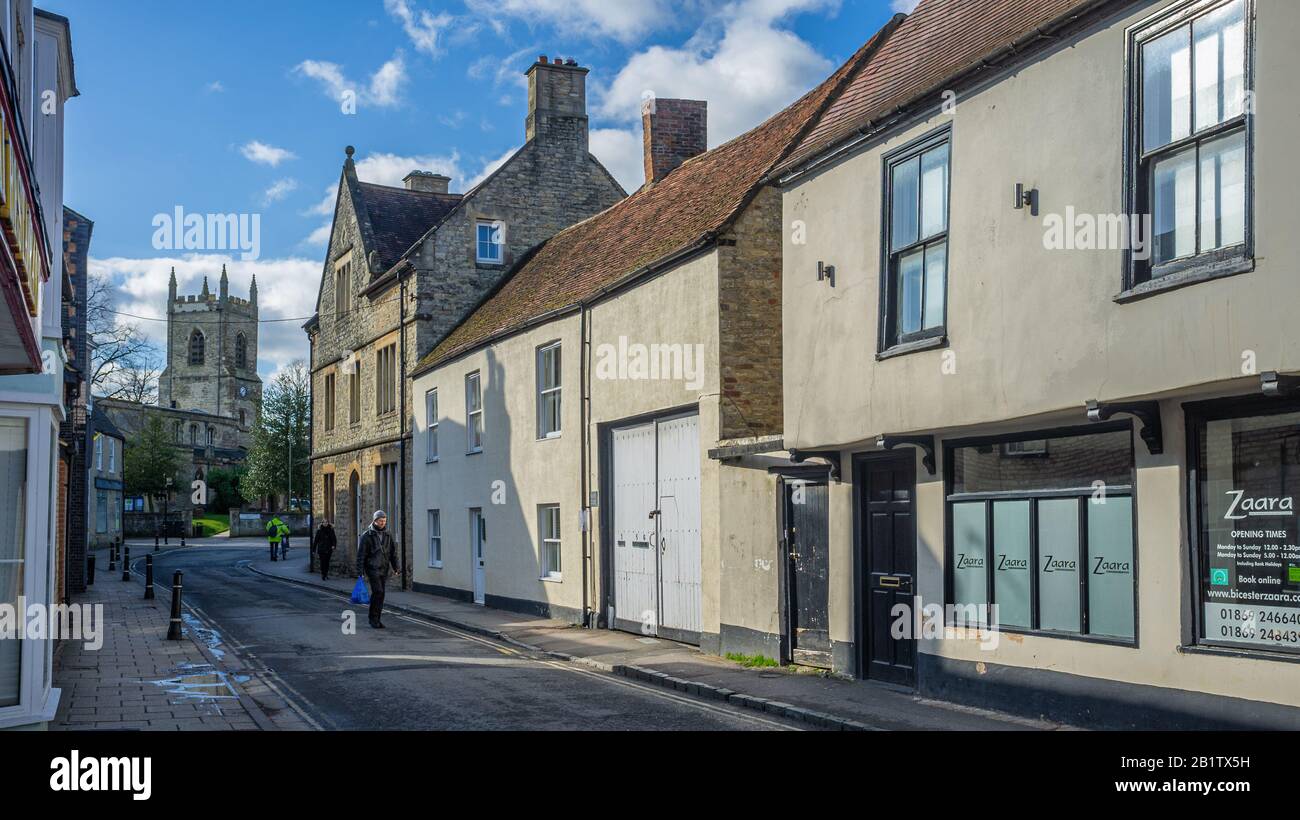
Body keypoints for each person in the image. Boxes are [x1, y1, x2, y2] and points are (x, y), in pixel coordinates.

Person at [356, 510, 399, 629]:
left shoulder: (388, 535)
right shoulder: (367, 535)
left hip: (384, 569)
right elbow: (361, 555)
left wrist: (396, 567)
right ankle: (373, 619)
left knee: (381, 594)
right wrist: (360, 572)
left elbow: (393, 553)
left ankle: (377, 619)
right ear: (375, 521)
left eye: (384, 521)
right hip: (372, 568)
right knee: (378, 592)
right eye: (380, 521)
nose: (383, 523)